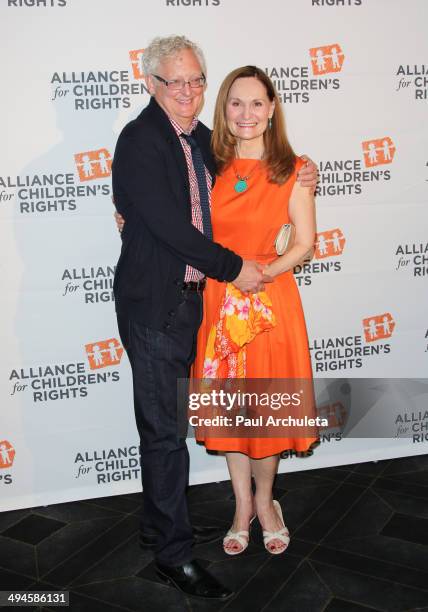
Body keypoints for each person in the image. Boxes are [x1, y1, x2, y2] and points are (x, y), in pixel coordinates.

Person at [112, 36, 318, 599]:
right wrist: (238, 269)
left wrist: (303, 172)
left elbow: (255, 157)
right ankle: (173, 558)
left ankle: (162, 525)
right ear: (150, 83)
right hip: (159, 306)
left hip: (200, 306)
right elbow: (172, 228)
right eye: (174, 81)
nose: (187, 91)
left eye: (196, 80)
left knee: (183, 424)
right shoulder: (141, 141)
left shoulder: (200, 138)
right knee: (163, 433)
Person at [191, 65, 320, 556]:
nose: (246, 114)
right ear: (223, 110)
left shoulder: (294, 168)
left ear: (272, 110)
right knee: (230, 411)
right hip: (217, 298)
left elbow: (305, 243)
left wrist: (259, 275)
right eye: (236, 103)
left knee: (266, 411)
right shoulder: (208, 165)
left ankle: (268, 503)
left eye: (257, 103)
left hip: (268, 300)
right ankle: (241, 505)